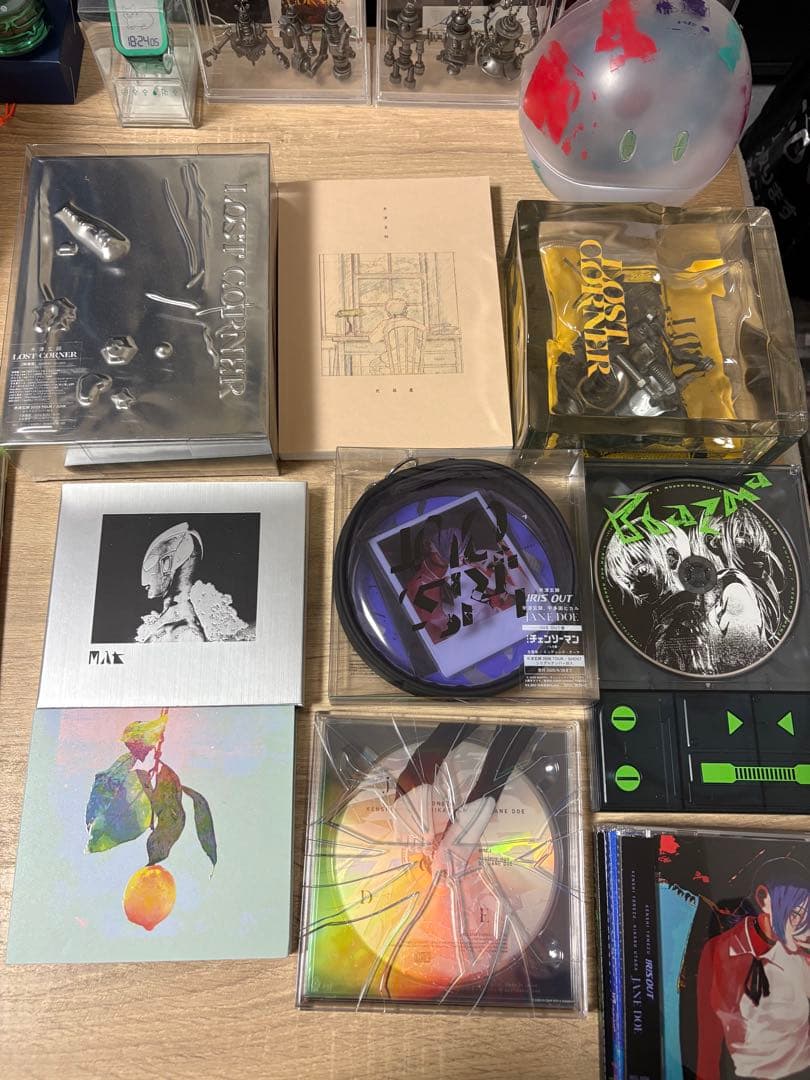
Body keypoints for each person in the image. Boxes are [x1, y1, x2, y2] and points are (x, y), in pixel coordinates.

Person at [696, 858, 810, 1080]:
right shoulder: (722, 951)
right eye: (795, 915)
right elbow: (709, 1034)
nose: (805, 931)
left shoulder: (800, 954)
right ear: (763, 898)